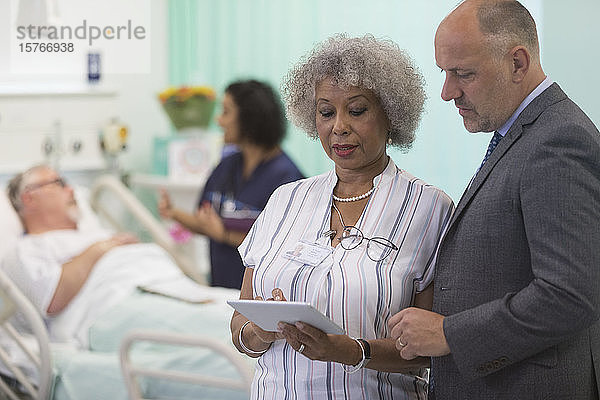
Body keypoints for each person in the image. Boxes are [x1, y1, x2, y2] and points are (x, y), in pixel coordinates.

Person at [388, 1, 600, 398]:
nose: (447, 92)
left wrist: (448, 333)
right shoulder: (526, 134)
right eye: (444, 73)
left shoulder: (557, 142)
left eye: (462, 74)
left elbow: (571, 295)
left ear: (518, 63)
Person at [229, 34, 454, 399]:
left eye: (357, 110)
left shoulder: (429, 209)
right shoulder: (285, 199)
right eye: (326, 112)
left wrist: (348, 351)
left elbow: (432, 349)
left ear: (391, 113)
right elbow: (241, 326)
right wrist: (260, 331)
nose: (339, 127)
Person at [2, 164, 236, 348]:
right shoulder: (25, 250)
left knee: (239, 315)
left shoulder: (98, 234)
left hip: (169, 288)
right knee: (230, 334)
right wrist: (101, 249)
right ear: (29, 197)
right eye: (59, 183)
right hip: (113, 307)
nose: (72, 190)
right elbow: (50, 298)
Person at [159, 79, 304, 290]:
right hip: (221, 290)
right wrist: (173, 213)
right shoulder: (227, 166)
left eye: (226, 112)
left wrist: (225, 236)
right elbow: (207, 223)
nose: (219, 120)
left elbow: (286, 249)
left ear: (250, 117)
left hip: (260, 299)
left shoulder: (287, 179)